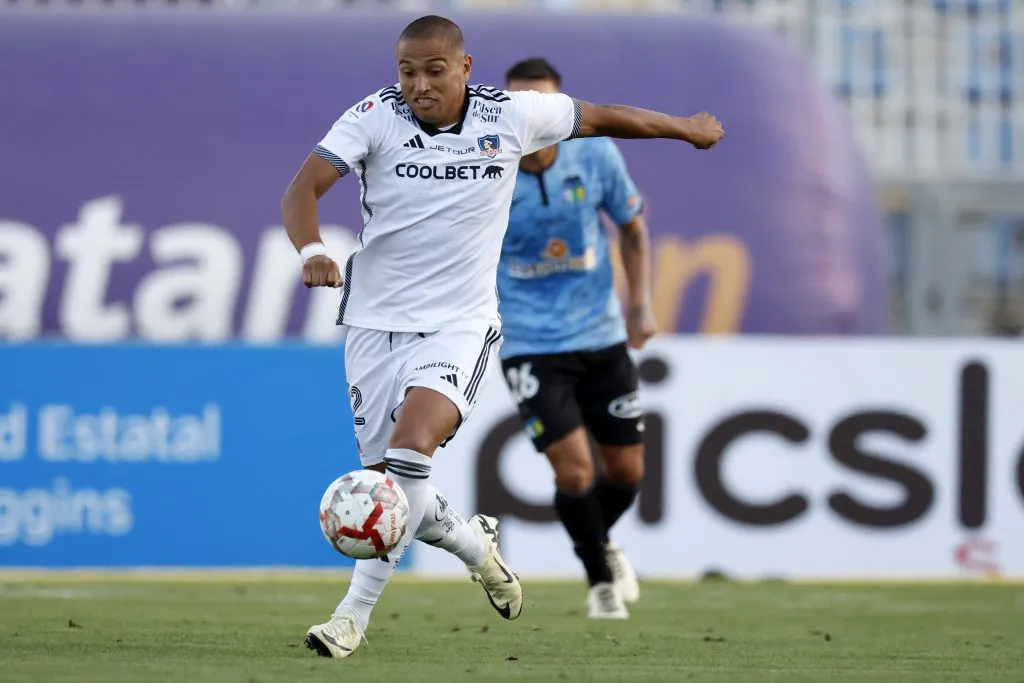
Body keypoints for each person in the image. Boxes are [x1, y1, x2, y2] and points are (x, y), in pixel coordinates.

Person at [281, 15, 723, 659]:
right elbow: (304, 188)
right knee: (388, 485)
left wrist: (685, 128)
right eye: (407, 72)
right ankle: (471, 544)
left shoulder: (511, 115)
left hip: (460, 323)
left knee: (408, 454)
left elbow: (603, 118)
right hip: (373, 322)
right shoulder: (372, 116)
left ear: (464, 68)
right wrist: (312, 248)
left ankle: (350, 618)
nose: (419, 85)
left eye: (434, 70)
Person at [497, 58, 655, 620]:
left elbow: (632, 228)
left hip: (601, 333)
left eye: (548, 105)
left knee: (627, 473)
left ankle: (599, 545)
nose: (535, 116)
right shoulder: (487, 165)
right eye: (523, 104)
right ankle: (600, 584)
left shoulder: (596, 153)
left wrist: (640, 304)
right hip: (528, 340)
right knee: (575, 472)